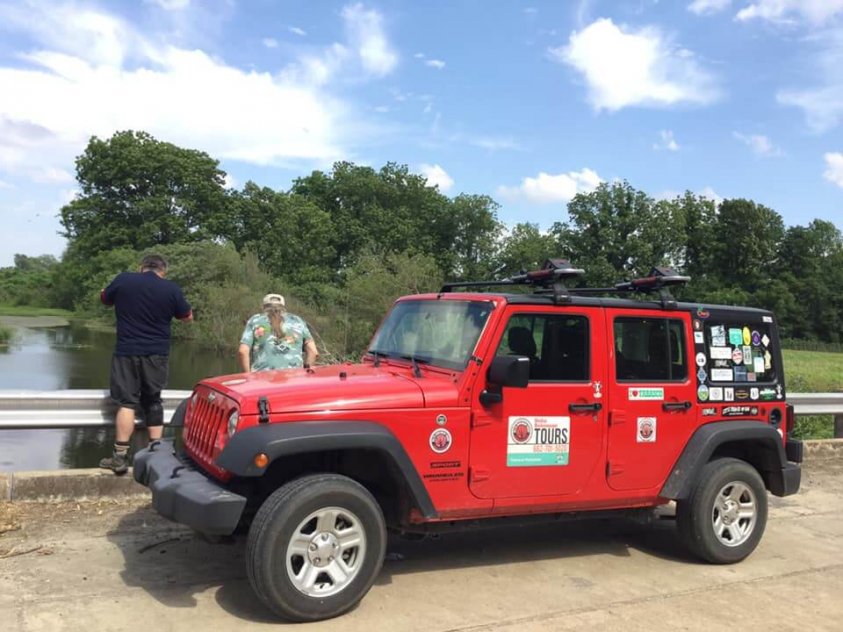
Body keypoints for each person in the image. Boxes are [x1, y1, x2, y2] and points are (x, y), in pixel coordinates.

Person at [99, 254, 193, 475]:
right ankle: (155, 454)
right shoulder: (170, 288)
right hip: (157, 354)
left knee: (126, 403)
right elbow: (187, 316)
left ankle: (119, 458)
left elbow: (104, 299)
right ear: (163, 270)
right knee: (153, 400)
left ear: (141, 267)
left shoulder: (124, 280)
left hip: (127, 352)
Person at [239, 293, 318, 372]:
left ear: (263, 307)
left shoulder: (255, 320)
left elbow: (243, 351)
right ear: (283, 307)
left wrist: (248, 377)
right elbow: (313, 352)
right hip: (295, 378)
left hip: (262, 379)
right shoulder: (297, 321)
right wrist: (305, 373)